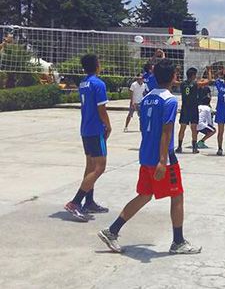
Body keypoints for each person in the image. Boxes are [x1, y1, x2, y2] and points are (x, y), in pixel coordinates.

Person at [97, 59, 201, 255]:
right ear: (173, 77)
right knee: (177, 195)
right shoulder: (169, 100)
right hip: (163, 158)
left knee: (145, 195)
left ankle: (112, 231)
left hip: (145, 154)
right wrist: (163, 161)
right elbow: (166, 132)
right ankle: (178, 242)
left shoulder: (145, 100)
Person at [64, 54, 112, 221]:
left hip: (85, 128)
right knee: (100, 167)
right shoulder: (98, 84)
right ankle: (75, 202)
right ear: (96, 65)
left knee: (90, 166)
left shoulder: (83, 83)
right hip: (95, 129)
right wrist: (108, 125)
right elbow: (101, 110)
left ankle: (89, 202)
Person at [176, 68, 201, 154]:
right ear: (193, 75)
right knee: (194, 128)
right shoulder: (196, 84)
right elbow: (208, 81)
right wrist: (209, 71)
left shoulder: (182, 84)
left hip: (185, 108)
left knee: (182, 128)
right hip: (193, 108)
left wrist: (176, 72)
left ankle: (179, 147)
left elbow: (173, 82)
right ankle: (194, 148)